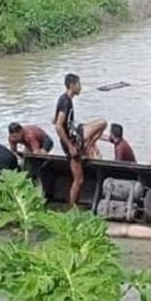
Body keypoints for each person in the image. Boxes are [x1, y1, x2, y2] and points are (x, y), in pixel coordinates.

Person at [54, 73, 108, 207]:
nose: (80, 87)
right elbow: (58, 126)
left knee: (102, 123)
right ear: (72, 85)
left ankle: (88, 145)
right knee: (79, 180)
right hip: (72, 143)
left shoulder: (65, 99)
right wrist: (70, 146)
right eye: (79, 84)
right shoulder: (65, 101)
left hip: (76, 134)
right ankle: (71, 208)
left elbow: (54, 119)